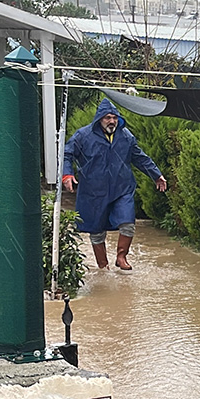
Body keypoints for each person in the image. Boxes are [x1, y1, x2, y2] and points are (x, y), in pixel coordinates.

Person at [62, 98, 167, 272]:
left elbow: (140, 157)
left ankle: (121, 256)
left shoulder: (126, 136)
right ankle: (103, 267)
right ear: (99, 119)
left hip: (121, 189)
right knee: (96, 231)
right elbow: (67, 154)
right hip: (93, 192)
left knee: (127, 223)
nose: (112, 121)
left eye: (114, 118)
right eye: (107, 118)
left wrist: (156, 175)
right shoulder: (83, 136)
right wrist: (67, 174)